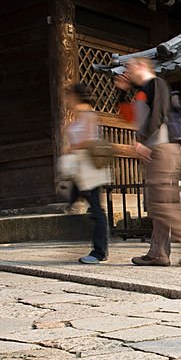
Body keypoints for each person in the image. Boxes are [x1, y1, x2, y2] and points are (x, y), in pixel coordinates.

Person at [114, 57, 181, 267]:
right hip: (157, 151)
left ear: (141, 66)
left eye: (129, 66)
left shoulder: (156, 84)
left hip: (163, 149)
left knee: (163, 204)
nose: (127, 71)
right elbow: (130, 117)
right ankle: (158, 253)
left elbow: (159, 113)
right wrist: (121, 91)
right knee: (158, 204)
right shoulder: (142, 92)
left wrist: (146, 143)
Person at [64, 83, 112, 264]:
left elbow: (90, 141)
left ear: (76, 97)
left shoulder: (89, 116)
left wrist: (72, 147)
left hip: (90, 168)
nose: (67, 100)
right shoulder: (80, 117)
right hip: (80, 168)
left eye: (69, 96)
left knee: (96, 211)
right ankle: (71, 204)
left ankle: (99, 252)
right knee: (79, 203)